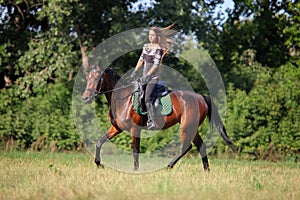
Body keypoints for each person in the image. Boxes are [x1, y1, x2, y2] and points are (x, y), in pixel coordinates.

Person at [131, 24, 177, 129]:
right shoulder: (146, 46)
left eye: (152, 35)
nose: (150, 37)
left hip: (153, 78)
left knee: (147, 98)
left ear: (157, 37)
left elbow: (155, 66)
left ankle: (151, 121)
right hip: (144, 77)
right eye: (149, 35)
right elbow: (141, 60)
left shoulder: (158, 49)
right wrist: (135, 71)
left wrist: (147, 75)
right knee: (137, 94)